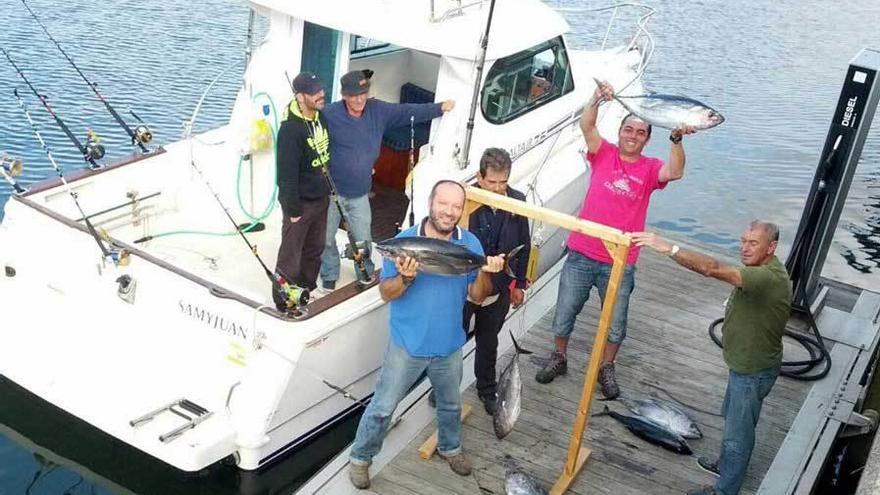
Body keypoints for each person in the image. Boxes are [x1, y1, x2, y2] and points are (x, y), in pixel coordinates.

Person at [534, 79, 696, 399]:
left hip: (621, 260)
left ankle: (606, 367)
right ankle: (559, 356)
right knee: (565, 310)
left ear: (648, 139)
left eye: (640, 132)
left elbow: (675, 172)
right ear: (620, 132)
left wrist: (676, 139)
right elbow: (587, 124)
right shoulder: (603, 152)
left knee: (616, 323)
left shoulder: (651, 168)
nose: (633, 136)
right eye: (628, 130)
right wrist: (596, 97)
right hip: (582, 251)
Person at [348, 180, 504, 489]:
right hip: (407, 344)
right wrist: (405, 279)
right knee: (382, 407)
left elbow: (477, 296)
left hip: (449, 345)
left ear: (462, 210)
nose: (449, 212)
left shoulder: (471, 244)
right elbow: (385, 294)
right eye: (443, 204)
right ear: (430, 203)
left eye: (456, 206)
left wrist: (486, 270)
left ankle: (451, 448)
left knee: (450, 405)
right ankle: (361, 458)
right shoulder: (403, 242)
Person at [631, 221, 791, 495]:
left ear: (772, 247)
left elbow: (711, 268)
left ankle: (724, 491)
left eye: (753, 243)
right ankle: (726, 466)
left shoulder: (766, 277)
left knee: (737, 437)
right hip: (742, 366)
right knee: (732, 419)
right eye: (743, 241)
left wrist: (669, 247)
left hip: (752, 372)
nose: (744, 248)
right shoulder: (757, 270)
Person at [320, 69, 456, 290]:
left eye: (363, 93)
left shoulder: (378, 110)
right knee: (326, 238)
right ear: (344, 95)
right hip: (330, 192)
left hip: (360, 194)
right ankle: (329, 272)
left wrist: (439, 107)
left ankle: (364, 270)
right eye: (354, 95)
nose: (359, 99)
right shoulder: (329, 114)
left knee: (363, 238)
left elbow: (406, 111)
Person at [462, 148, 531, 415]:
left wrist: (519, 285)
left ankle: (486, 390)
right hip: (465, 287)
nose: (498, 188)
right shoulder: (464, 198)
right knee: (451, 339)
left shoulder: (518, 200)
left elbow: (524, 244)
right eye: (492, 182)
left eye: (503, 182)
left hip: (500, 286)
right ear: (480, 177)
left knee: (488, 341)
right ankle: (442, 385)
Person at [273, 72, 331, 310]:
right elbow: (285, 175)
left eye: (321, 89)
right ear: (300, 96)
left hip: (321, 198)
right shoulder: (290, 131)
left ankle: (306, 289)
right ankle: (283, 299)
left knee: (315, 248)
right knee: (291, 254)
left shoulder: (321, 118)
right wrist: (292, 209)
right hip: (300, 204)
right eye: (315, 92)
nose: (321, 95)